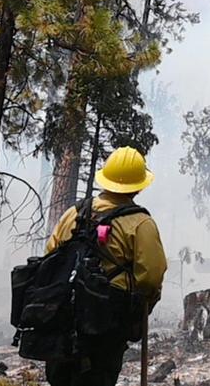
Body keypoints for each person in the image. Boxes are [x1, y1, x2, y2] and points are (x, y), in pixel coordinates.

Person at [43, 146, 168, 386]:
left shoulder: (74, 214)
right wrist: (142, 307)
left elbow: (51, 256)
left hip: (64, 314)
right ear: (139, 186)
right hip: (108, 320)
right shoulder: (141, 223)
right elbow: (151, 277)